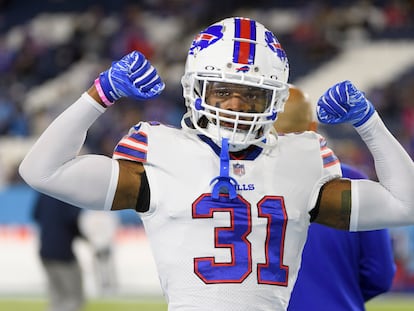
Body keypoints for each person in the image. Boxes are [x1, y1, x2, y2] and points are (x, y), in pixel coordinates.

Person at [19, 17, 414, 311]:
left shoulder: (302, 159)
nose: (234, 105)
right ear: (196, 88)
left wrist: (369, 122)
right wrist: (99, 94)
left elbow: (406, 204)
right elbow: (41, 170)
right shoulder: (160, 153)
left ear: (274, 101)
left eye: (251, 95)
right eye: (222, 91)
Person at [274, 86, 396, 311]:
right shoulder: (351, 180)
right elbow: (380, 274)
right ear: (314, 128)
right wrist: (338, 295)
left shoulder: (237, 182)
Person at [32, 192, 86, 311]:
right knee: (73, 299)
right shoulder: (68, 196)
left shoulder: (44, 194)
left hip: (45, 250)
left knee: (56, 298)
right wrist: (86, 237)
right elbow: (74, 221)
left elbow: (35, 215)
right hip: (63, 253)